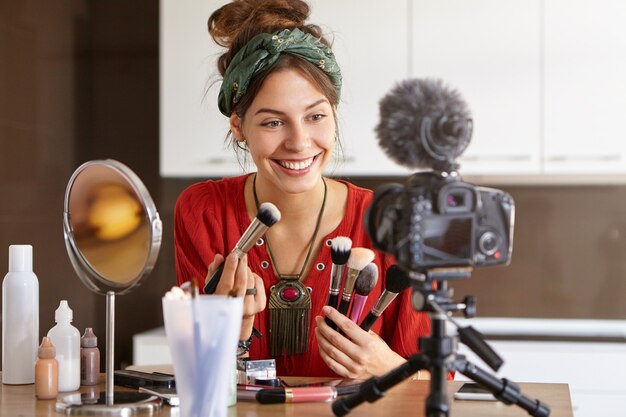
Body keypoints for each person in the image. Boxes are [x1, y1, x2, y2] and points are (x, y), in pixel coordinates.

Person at [174, 0, 431, 379]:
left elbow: (439, 387)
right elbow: (196, 377)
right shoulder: (203, 212)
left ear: (334, 114)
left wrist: (386, 369)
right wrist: (230, 339)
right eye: (274, 122)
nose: (299, 142)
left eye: (315, 116)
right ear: (239, 127)